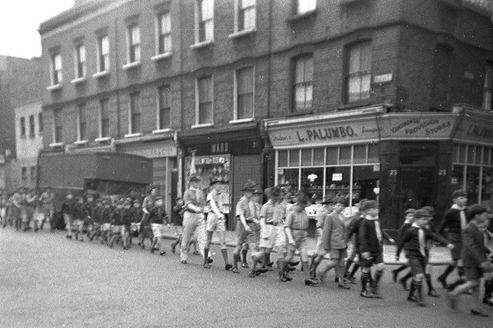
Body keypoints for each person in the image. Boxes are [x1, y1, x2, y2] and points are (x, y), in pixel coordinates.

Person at [395, 209, 454, 307]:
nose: (426, 222)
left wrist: (447, 244)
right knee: (419, 276)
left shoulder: (426, 230)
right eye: (423, 219)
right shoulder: (411, 231)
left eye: (427, 220)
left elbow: (435, 236)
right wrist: (397, 254)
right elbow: (401, 242)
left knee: (417, 276)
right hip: (413, 256)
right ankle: (420, 298)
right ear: (416, 219)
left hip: (423, 256)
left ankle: (411, 295)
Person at [448, 204, 493, 317]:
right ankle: (454, 293)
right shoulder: (468, 229)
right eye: (484, 215)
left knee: (477, 285)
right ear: (477, 216)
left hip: (477, 259)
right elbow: (471, 246)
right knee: (474, 282)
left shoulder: (476, 227)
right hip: (471, 260)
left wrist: (488, 251)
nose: (487, 217)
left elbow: (479, 244)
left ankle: (475, 308)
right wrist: (482, 261)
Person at [279, 195, 320, 286]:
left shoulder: (304, 212)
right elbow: (287, 227)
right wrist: (290, 239)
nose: (304, 207)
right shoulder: (292, 213)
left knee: (304, 257)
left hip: (303, 236)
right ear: (298, 204)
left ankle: (307, 279)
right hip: (293, 236)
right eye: (302, 206)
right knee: (289, 257)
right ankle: (282, 271)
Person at [359, 200, 395, 298]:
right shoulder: (365, 222)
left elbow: (380, 231)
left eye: (376, 208)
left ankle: (374, 286)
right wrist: (365, 250)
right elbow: (362, 237)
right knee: (366, 269)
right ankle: (363, 290)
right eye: (374, 209)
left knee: (381, 267)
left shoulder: (377, 220)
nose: (376, 210)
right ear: (367, 211)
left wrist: (389, 237)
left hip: (378, 249)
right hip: (368, 250)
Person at [249, 186, 286, 278]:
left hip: (277, 228)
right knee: (263, 251)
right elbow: (262, 220)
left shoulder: (279, 206)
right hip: (268, 227)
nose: (277, 198)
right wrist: (265, 232)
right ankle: (252, 268)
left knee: (280, 249)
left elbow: (281, 219)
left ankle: (282, 273)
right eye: (275, 196)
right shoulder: (265, 206)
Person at [316, 197, 351, 289]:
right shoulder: (330, 216)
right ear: (334, 206)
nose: (340, 208)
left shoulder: (342, 216)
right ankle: (320, 273)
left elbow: (344, 229)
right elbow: (326, 232)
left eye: (342, 206)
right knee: (334, 262)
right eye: (338, 205)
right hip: (334, 242)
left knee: (342, 263)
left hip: (342, 242)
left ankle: (341, 281)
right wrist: (326, 244)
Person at [437, 189, 469, 289]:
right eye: (462, 198)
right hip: (454, 237)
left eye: (466, 198)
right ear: (455, 200)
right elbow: (442, 225)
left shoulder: (466, 210)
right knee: (460, 259)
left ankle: (443, 277)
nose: (464, 200)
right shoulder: (451, 212)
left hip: (464, 237)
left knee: (455, 260)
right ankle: (462, 285)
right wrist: (437, 238)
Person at [231, 180, 259, 274]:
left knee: (253, 246)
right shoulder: (241, 203)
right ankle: (234, 265)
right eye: (249, 191)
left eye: (252, 191)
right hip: (242, 225)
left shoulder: (252, 203)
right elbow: (241, 215)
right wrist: (245, 225)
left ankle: (253, 269)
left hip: (251, 225)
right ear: (245, 192)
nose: (250, 193)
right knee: (239, 245)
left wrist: (258, 223)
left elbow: (253, 217)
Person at [204, 177, 232, 270]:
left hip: (220, 217)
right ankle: (205, 261)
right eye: (218, 184)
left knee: (222, 241)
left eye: (221, 184)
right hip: (212, 216)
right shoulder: (210, 195)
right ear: (214, 185)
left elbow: (224, 206)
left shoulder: (222, 195)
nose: (220, 186)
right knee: (208, 239)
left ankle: (227, 263)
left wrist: (223, 213)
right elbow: (212, 205)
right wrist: (218, 214)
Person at [180, 174, 207, 265]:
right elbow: (187, 204)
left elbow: (203, 203)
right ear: (191, 182)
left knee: (202, 237)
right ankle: (183, 255)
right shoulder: (187, 192)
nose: (198, 183)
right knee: (186, 238)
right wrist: (195, 208)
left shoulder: (200, 192)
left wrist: (205, 209)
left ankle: (207, 257)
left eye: (198, 181)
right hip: (190, 215)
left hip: (199, 216)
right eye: (196, 181)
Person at [343, 199, 368, 284]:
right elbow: (350, 227)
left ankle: (360, 274)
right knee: (355, 254)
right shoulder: (357, 216)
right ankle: (346, 272)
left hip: (360, 238)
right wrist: (346, 240)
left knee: (359, 256)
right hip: (356, 237)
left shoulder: (362, 215)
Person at [309, 197, 334, 280]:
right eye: (331, 205)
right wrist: (323, 236)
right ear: (326, 206)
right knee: (319, 254)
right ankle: (312, 270)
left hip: (329, 236)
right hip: (323, 235)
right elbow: (319, 226)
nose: (333, 207)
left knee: (319, 254)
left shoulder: (332, 214)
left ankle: (312, 269)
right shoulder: (323, 214)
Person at [392, 208, 416, 291]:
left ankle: (397, 272)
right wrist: (398, 251)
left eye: (413, 216)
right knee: (415, 265)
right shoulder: (405, 225)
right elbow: (400, 238)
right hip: (407, 248)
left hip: (413, 247)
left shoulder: (413, 225)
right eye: (410, 216)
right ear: (406, 217)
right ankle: (403, 279)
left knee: (411, 263)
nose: (412, 217)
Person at [240, 188, 263, 268]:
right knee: (248, 244)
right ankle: (245, 261)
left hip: (257, 226)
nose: (257, 197)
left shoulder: (259, 206)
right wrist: (258, 222)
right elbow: (251, 216)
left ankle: (257, 262)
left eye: (258, 196)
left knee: (257, 243)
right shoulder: (250, 204)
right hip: (250, 225)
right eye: (255, 196)